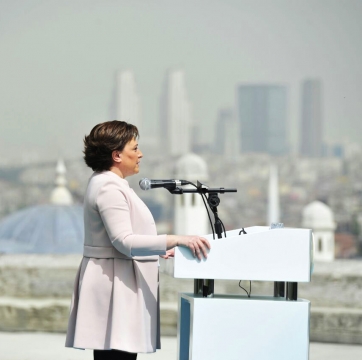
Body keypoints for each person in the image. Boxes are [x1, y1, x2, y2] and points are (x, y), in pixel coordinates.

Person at [65, 120, 210, 360]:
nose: (140, 154)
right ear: (117, 155)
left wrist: (157, 251)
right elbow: (124, 241)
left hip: (117, 280)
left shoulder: (107, 183)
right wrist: (176, 239)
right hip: (115, 286)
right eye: (134, 148)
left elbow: (120, 239)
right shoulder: (108, 187)